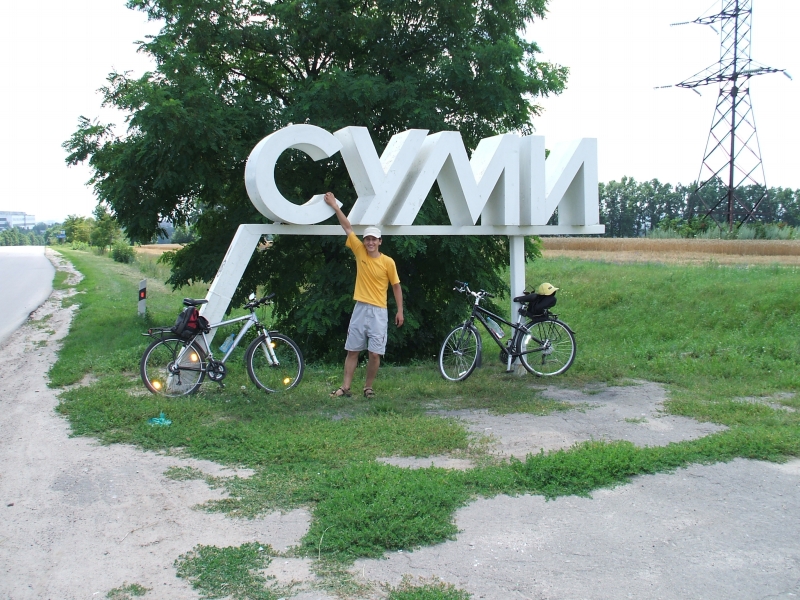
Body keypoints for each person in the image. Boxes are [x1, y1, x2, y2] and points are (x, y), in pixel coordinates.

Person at [323, 191, 404, 398]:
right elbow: (347, 227)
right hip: (360, 308)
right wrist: (335, 206)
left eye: (373, 239)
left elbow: (396, 286)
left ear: (380, 241)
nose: (370, 243)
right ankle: (345, 387)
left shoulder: (388, 262)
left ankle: (368, 387)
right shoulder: (359, 251)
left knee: (375, 354)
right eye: (367, 239)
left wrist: (400, 311)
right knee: (353, 350)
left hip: (379, 312)